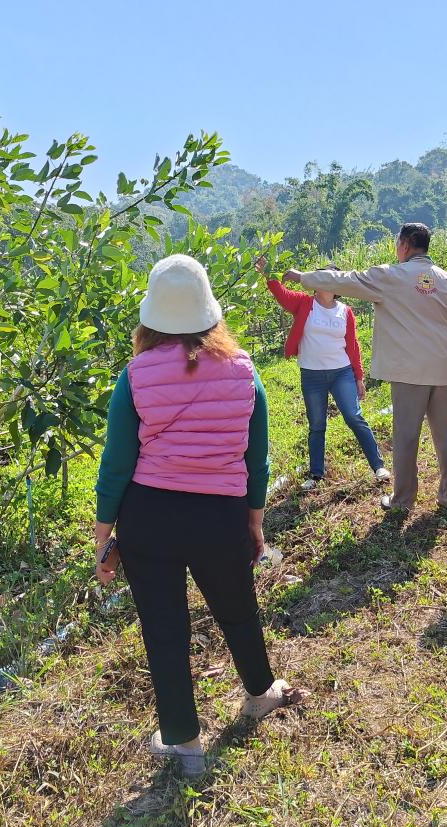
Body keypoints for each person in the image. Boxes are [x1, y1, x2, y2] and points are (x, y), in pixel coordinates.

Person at [94, 254, 303, 777]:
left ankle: (185, 744)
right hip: (221, 516)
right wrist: (254, 521)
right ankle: (260, 692)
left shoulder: (135, 376)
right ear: (210, 312)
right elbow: (257, 459)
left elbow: (116, 464)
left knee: (164, 628)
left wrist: (104, 538)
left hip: (150, 519)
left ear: (151, 317)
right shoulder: (243, 371)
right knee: (237, 608)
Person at [282, 222, 447, 512]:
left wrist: (304, 277)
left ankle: (403, 499)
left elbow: (346, 279)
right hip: (443, 369)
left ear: (405, 245)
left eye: (397, 243)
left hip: (409, 372)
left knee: (407, 436)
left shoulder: (390, 276)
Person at [254, 256, 388, 489]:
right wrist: (269, 273)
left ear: (335, 286)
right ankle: (316, 475)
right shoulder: (304, 303)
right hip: (312, 375)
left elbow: (353, 346)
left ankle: (378, 465)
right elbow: (280, 292)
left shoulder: (345, 312)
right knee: (317, 424)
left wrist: (359, 377)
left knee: (354, 416)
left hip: (341, 373)